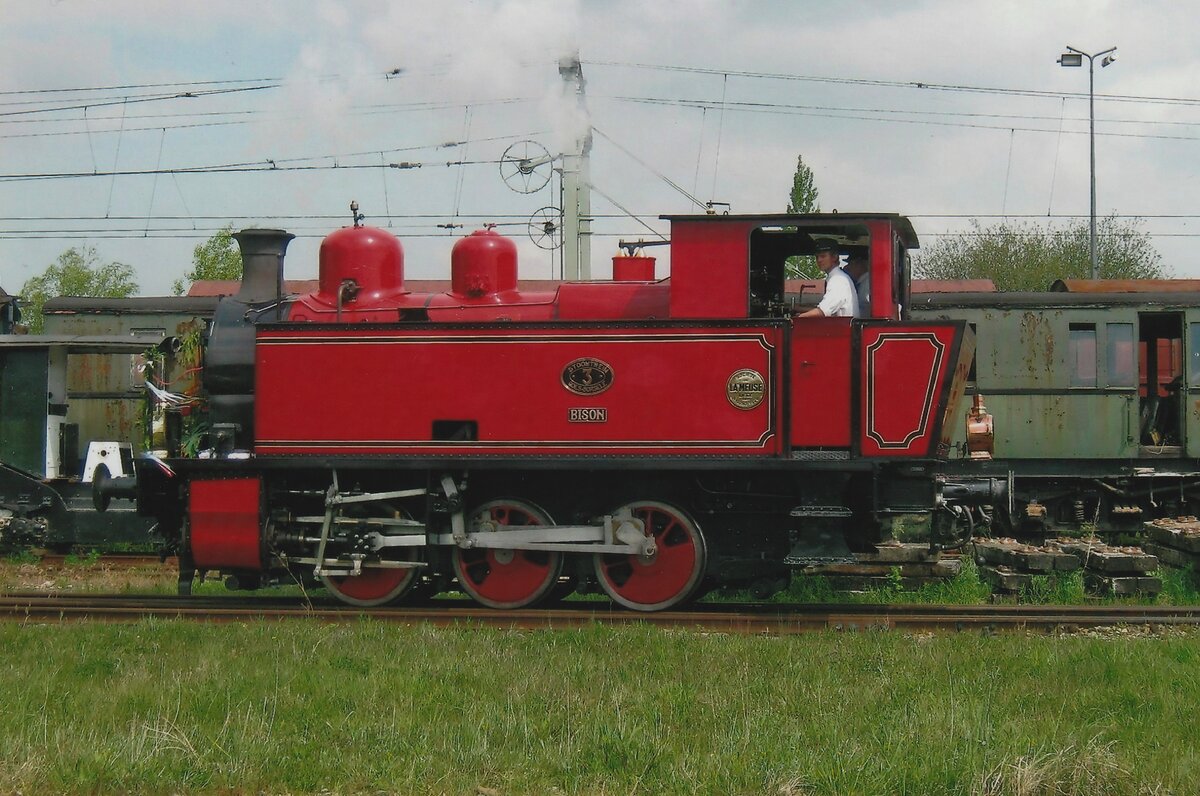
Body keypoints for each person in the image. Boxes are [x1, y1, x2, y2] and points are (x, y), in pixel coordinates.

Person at [798, 238, 858, 318]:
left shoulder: (838, 280)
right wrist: (797, 308)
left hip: (843, 329)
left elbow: (823, 311)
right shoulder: (836, 278)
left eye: (823, 256)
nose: (819, 260)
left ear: (834, 257)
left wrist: (795, 319)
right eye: (817, 257)